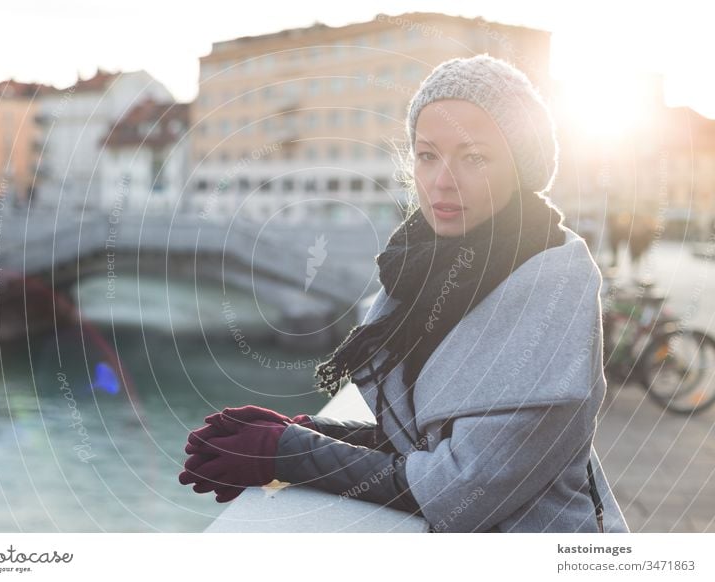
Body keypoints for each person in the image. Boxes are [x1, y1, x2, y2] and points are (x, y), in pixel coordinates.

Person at [178, 54, 630, 533]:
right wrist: (308, 430)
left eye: (474, 157)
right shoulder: (425, 265)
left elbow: (462, 487)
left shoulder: (552, 288)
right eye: (427, 154)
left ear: (521, 166)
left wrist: (288, 453)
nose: (441, 181)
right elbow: (425, 439)